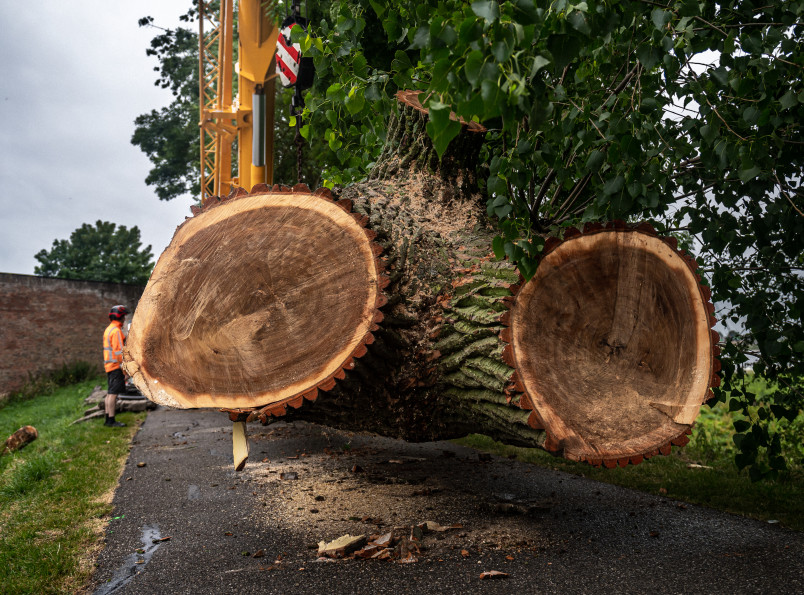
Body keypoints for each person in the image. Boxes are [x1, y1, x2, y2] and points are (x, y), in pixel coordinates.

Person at [103, 305, 129, 427]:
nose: (125, 319)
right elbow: (119, 353)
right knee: (113, 394)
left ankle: (108, 418)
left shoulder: (109, 329)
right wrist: (125, 370)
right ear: (121, 317)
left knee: (109, 393)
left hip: (109, 365)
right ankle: (111, 420)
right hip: (115, 366)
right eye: (124, 316)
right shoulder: (116, 331)